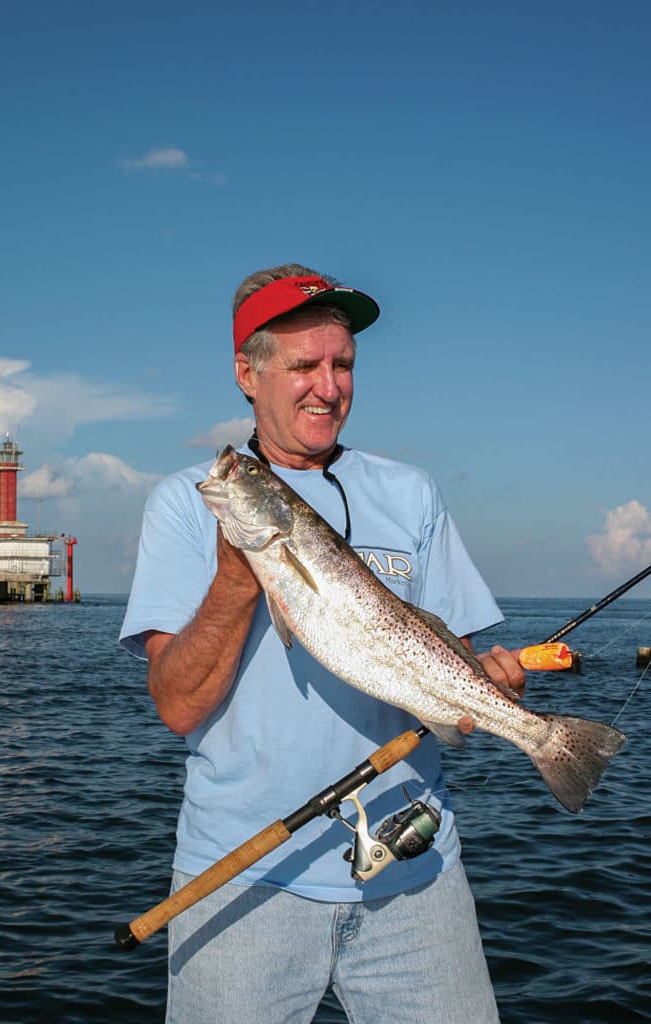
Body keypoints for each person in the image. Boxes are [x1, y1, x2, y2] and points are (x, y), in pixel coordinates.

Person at [120, 263, 526, 1024]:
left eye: (342, 365)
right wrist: (238, 582)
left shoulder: (413, 492)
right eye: (304, 365)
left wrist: (492, 688)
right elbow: (176, 706)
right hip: (242, 875)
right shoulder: (183, 503)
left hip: (416, 870)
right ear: (247, 372)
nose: (328, 386)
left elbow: (452, 665)